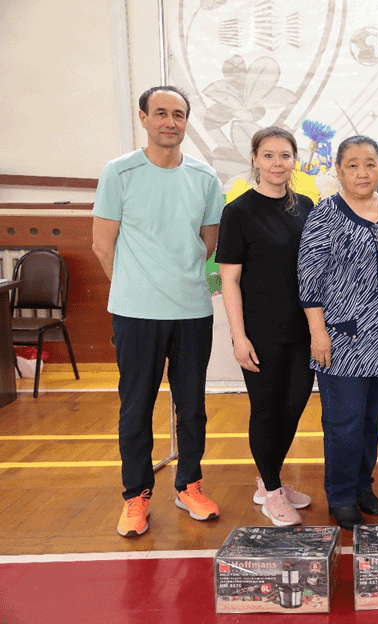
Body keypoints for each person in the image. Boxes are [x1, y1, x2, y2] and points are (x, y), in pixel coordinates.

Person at [92, 86, 224, 537]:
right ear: (144, 118)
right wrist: (136, 290)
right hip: (136, 315)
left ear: (186, 122)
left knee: (193, 408)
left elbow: (209, 244)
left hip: (192, 312)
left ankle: (189, 485)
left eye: (179, 114)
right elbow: (102, 245)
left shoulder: (205, 177)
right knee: (136, 408)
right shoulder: (119, 172)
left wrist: (178, 281)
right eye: (162, 113)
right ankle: (136, 496)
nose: (171, 121)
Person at [298, 136, 378, 530]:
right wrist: (318, 332)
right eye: (353, 165)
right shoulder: (326, 213)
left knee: (371, 421)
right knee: (344, 423)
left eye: (370, 163)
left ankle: (363, 484)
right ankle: (341, 495)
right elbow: (308, 278)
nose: (363, 172)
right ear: (339, 170)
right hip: (341, 339)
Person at [216, 127, 316, 527]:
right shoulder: (238, 211)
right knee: (266, 409)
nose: (277, 163)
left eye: (285, 155)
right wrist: (239, 337)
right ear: (255, 159)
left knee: (294, 406)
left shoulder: (306, 206)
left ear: (295, 160)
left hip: (303, 328)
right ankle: (272, 490)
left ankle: (268, 478)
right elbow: (229, 280)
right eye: (269, 155)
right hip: (260, 332)